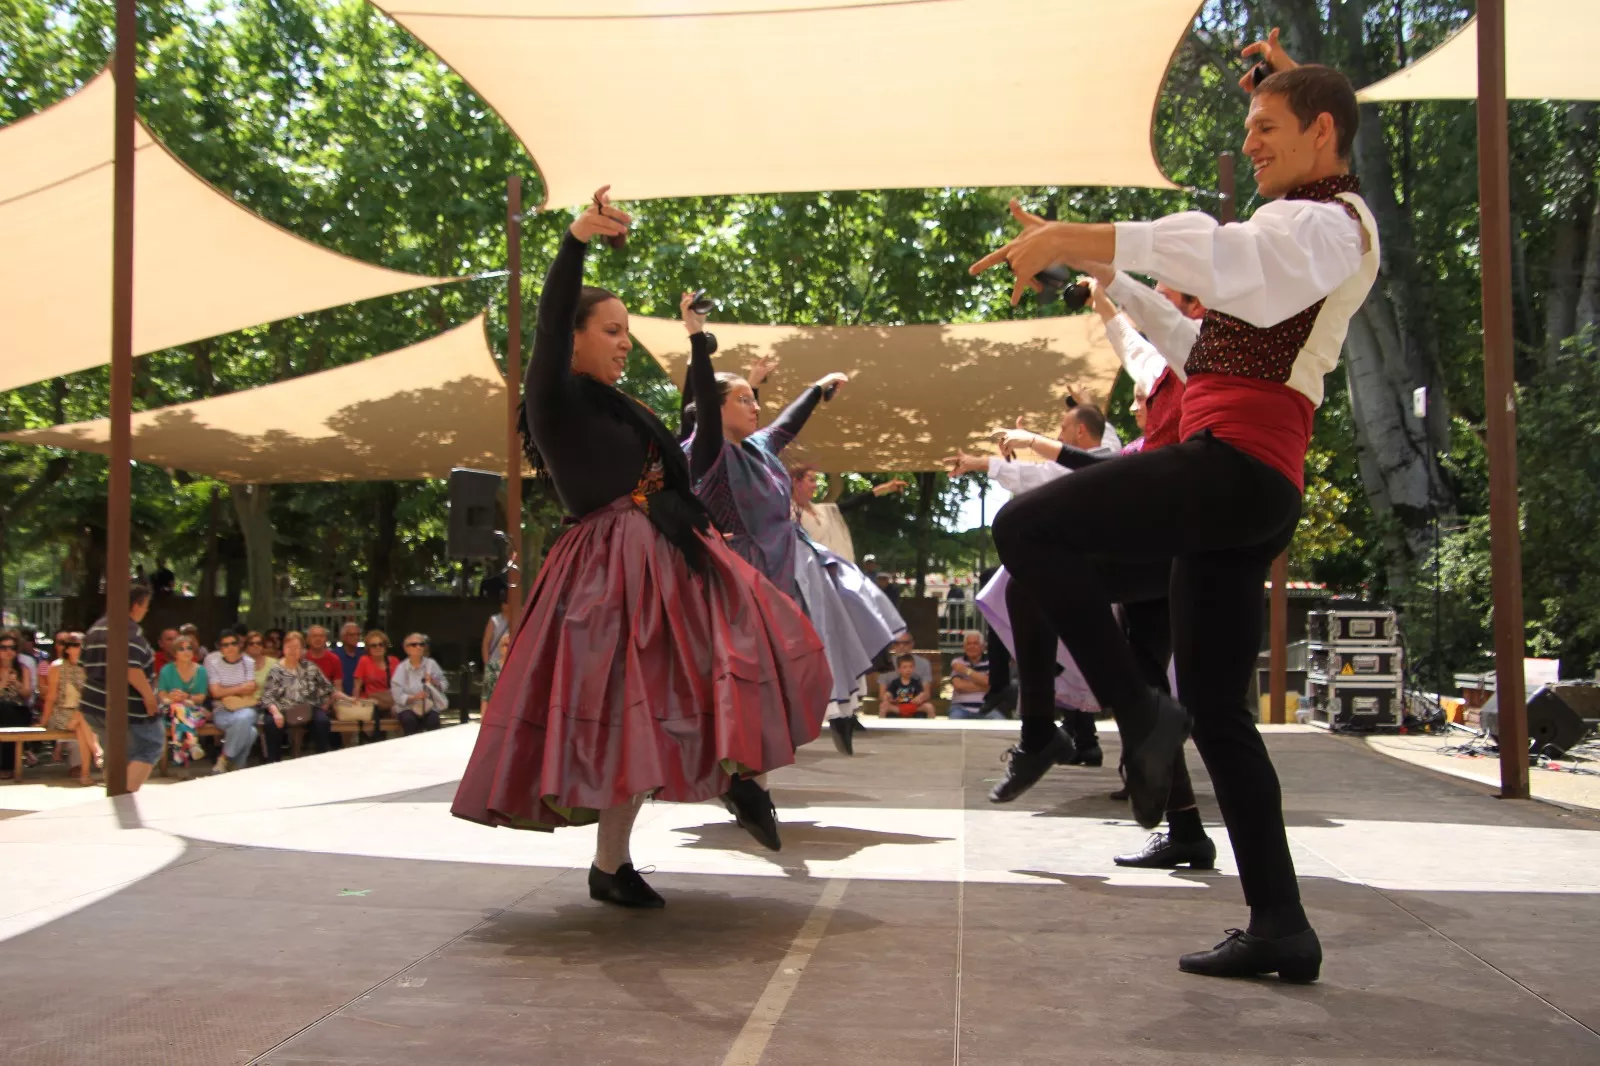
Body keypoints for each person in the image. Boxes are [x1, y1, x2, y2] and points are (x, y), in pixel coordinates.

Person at [972, 53, 1377, 982]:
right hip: (1242, 487)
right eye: (1249, 133)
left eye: (1266, 130)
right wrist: (1120, 286)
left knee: (1029, 534)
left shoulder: (1330, 226)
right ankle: (1281, 922)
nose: (1251, 147)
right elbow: (1201, 346)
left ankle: (1138, 712)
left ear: (1323, 131)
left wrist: (1084, 236)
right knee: (1223, 713)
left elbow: (1230, 255)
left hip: (1235, 471)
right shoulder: (1302, 238)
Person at [451, 187, 831, 908]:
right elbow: (550, 315)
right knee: (633, 705)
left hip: (672, 550)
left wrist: (696, 342)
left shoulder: (621, 404)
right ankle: (614, 863)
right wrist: (573, 241)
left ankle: (738, 780)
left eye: (628, 330)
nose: (625, 341)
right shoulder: (554, 398)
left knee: (729, 662)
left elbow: (704, 438)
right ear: (573, 335)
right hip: (610, 568)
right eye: (611, 329)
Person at [78, 585, 162, 792]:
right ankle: (122, 798)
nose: (146, 611)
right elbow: (131, 668)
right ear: (136, 606)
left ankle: (115, 798)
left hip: (93, 704)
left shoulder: (96, 628)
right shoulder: (128, 631)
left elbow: (83, 667)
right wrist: (150, 699)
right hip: (126, 707)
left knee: (114, 754)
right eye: (146, 606)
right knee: (149, 745)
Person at [790, 465, 909, 563]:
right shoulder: (787, 514)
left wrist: (886, 488)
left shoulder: (824, 510)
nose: (815, 485)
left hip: (835, 574)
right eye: (811, 480)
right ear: (796, 482)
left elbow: (853, 503)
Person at [260, 630, 334, 759]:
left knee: (322, 721)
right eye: (289, 647)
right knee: (271, 723)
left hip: (307, 707)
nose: (293, 651)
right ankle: (274, 763)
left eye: (296, 647)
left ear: (302, 650)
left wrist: (326, 703)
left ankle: (323, 759)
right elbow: (267, 696)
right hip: (282, 708)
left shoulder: (310, 667)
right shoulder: (276, 669)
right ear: (283, 648)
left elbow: (328, 688)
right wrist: (276, 712)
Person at [41, 632, 97, 785]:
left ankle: (85, 774)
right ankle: (96, 750)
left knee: (81, 724)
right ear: (67, 649)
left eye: (82, 645)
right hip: (62, 713)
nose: (80, 648)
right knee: (83, 719)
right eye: (75, 645)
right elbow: (51, 697)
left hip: (82, 714)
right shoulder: (56, 667)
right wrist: (43, 721)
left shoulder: (87, 667)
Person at [205, 631, 260, 773]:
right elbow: (215, 692)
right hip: (222, 709)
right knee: (251, 731)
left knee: (243, 718)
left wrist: (226, 690)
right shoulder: (213, 663)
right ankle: (236, 768)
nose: (230, 647)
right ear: (220, 648)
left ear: (239, 645)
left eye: (233, 643)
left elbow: (251, 688)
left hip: (244, 708)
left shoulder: (248, 662)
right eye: (225, 645)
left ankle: (224, 758)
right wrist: (240, 688)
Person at [156, 636, 210, 768]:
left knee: (179, 714)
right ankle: (192, 743)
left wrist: (187, 697)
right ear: (175, 653)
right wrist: (172, 700)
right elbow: (162, 695)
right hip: (169, 711)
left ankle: (180, 755)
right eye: (181, 649)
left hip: (194, 711)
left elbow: (201, 697)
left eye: (189, 648)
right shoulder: (166, 670)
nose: (186, 651)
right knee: (178, 708)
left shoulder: (201, 671)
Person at [391, 633, 447, 735]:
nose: (418, 647)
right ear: (406, 649)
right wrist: (414, 697)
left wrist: (434, 682)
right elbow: (397, 695)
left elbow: (444, 685)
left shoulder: (431, 664)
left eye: (421, 644)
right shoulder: (401, 668)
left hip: (429, 706)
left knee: (433, 721)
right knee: (409, 720)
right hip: (408, 707)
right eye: (414, 644)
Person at [0, 630, 35, 779]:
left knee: (8, 711)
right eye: (4, 648)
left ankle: (8, 766)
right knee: (3, 710)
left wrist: (17, 683)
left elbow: (27, 694)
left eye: (12, 648)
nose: (9, 652)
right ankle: (24, 750)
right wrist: (3, 683)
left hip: (18, 709)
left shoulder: (23, 669)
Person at [353, 629, 399, 742]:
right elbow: (357, 687)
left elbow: (401, 685)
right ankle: (375, 742)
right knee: (373, 714)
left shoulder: (394, 661)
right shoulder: (364, 661)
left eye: (380, 644)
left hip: (391, 700)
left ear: (385, 646)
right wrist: (356, 702)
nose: (377, 647)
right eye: (373, 645)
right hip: (370, 700)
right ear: (368, 648)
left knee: (403, 714)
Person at [947, 631, 998, 720]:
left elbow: (990, 682)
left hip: (986, 708)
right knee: (953, 728)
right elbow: (959, 686)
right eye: (969, 644)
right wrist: (984, 686)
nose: (972, 646)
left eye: (975, 643)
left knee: (1003, 725)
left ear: (982, 647)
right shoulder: (957, 662)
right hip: (960, 708)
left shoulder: (992, 662)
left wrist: (966, 671)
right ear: (964, 647)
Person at [333, 622, 365, 698]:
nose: (356, 637)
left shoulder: (364, 656)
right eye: (352, 635)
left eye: (358, 634)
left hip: (361, 700)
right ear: (343, 637)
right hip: (339, 699)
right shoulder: (334, 656)